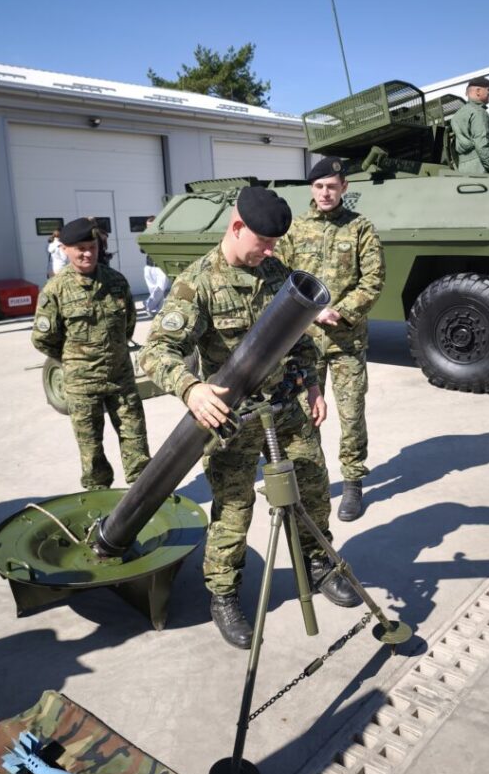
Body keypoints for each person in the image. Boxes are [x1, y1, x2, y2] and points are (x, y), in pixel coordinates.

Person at [139, 186, 360, 650]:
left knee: (312, 489)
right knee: (234, 508)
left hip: (285, 407)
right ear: (237, 227)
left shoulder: (275, 273)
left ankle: (319, 565)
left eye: (276, 243)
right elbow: (156, 352)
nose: (271, 251)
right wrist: (191, 388)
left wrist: (312, 384)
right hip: (232, 417)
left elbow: (299, 337)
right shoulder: (198, 283)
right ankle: (223, 594)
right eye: (264, 241)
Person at [276, 157, 385, 522]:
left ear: (344, 188)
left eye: (332, 186)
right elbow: (279, 276)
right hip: (304, 343)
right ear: (312, 188)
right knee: (306, 417)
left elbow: (373, 279)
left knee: (351, 415)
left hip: (346, 342)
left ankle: (352, 481)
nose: (325, 193)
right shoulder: (295, 229)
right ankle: (313, 483)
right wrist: (305, 312)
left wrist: (341, 310)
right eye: (319, 186)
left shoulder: (360, 228)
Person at [31, 217, 150, 491]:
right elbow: (43, 339)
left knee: (136, 443)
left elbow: (128, 324)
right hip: (82, 385)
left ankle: (143, 497)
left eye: (92, 247)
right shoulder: (55, 290)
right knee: (91, 451)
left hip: (120, 379)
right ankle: (99, 499)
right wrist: (76, 359)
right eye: (80, 249)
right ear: (65, 249)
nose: (87, 254)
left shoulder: (116, 282)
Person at [450, 76, 489, 178]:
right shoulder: (479, 112)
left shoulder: (457, 115)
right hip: (479, 169)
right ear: (478, 91)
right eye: (488, 89)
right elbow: (482, 143)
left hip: (462, 169)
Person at [142, 215, 171, 316]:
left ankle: (148, 305)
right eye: (147, 226)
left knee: (160, 289)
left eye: (151, 226)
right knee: (153, 290)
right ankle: (160, 310)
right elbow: (142, 250)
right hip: (149, 266)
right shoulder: (145, 235)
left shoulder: (164, 235)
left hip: (161, 267)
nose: (148, 228)